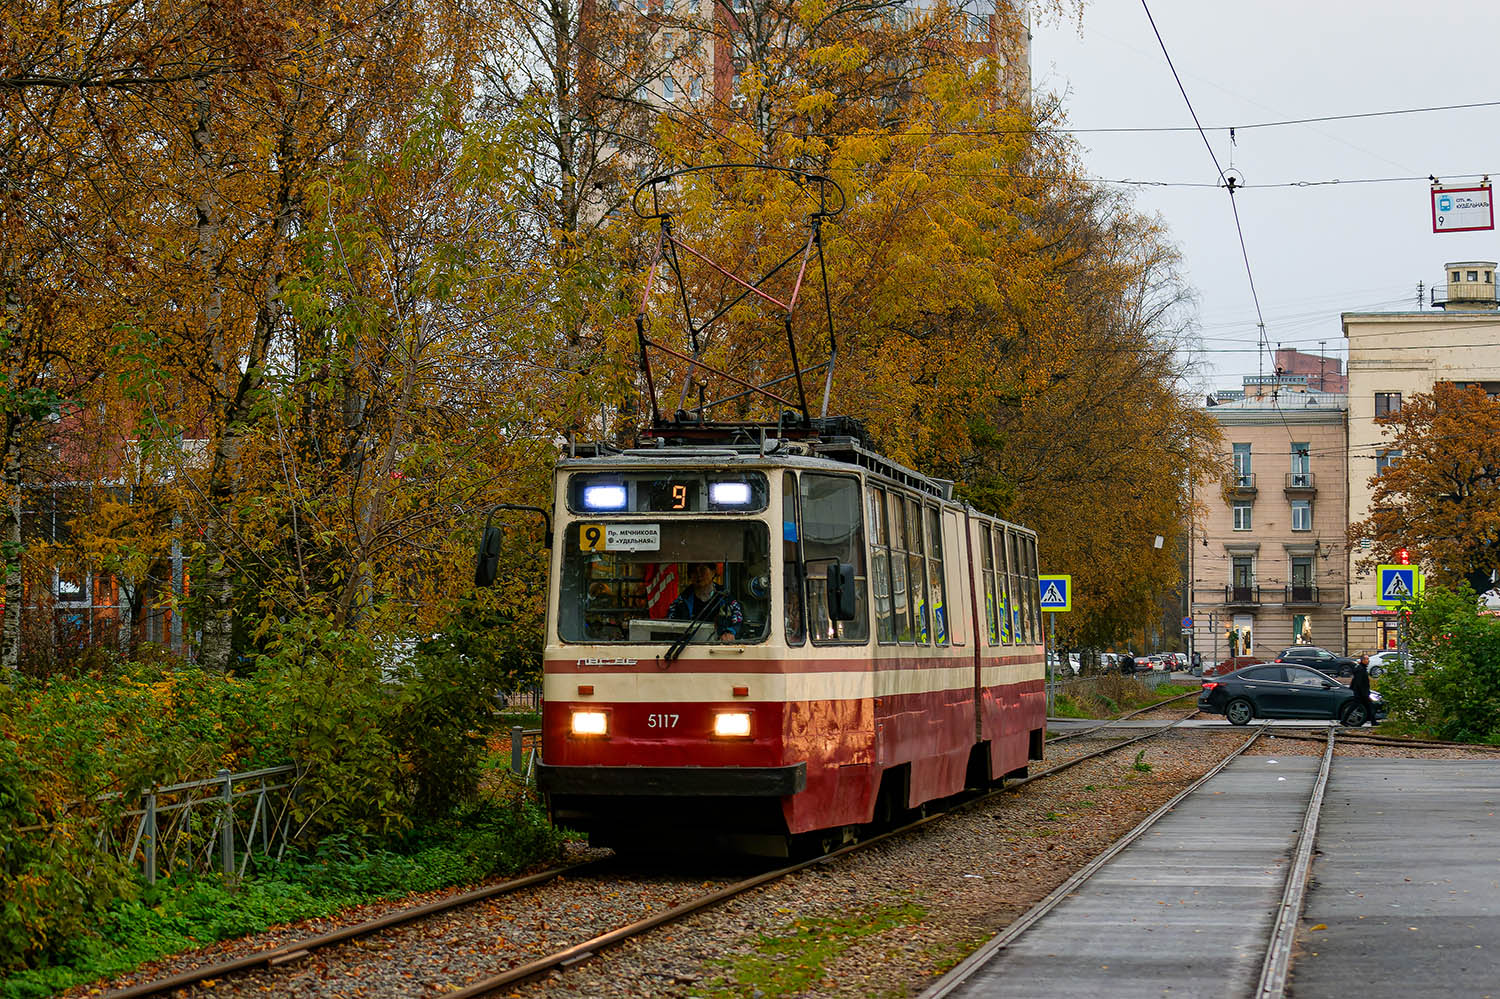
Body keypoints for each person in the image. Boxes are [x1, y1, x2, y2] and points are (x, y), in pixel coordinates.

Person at [668, 562, 745, 641]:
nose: (698, 574)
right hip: (687, 648)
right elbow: (671, 628)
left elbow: (738, 619)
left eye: (702, 569)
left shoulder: (725, 598)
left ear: (713, 572)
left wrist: (730, 632)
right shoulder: (681, 601)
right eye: (694, 571)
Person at [1350, 655, 1375, 725]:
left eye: (1368, 659)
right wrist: (1365, 693)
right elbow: (1360, 683)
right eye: (1367, 659)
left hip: (1360, 692)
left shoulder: (1361, 668)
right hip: (1361, 693)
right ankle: (1373, 722)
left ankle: (1373, 721)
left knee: (1368, 707)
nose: (1368, 661)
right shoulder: (1361, 669)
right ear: (1363, 660)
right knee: (1369, 706)